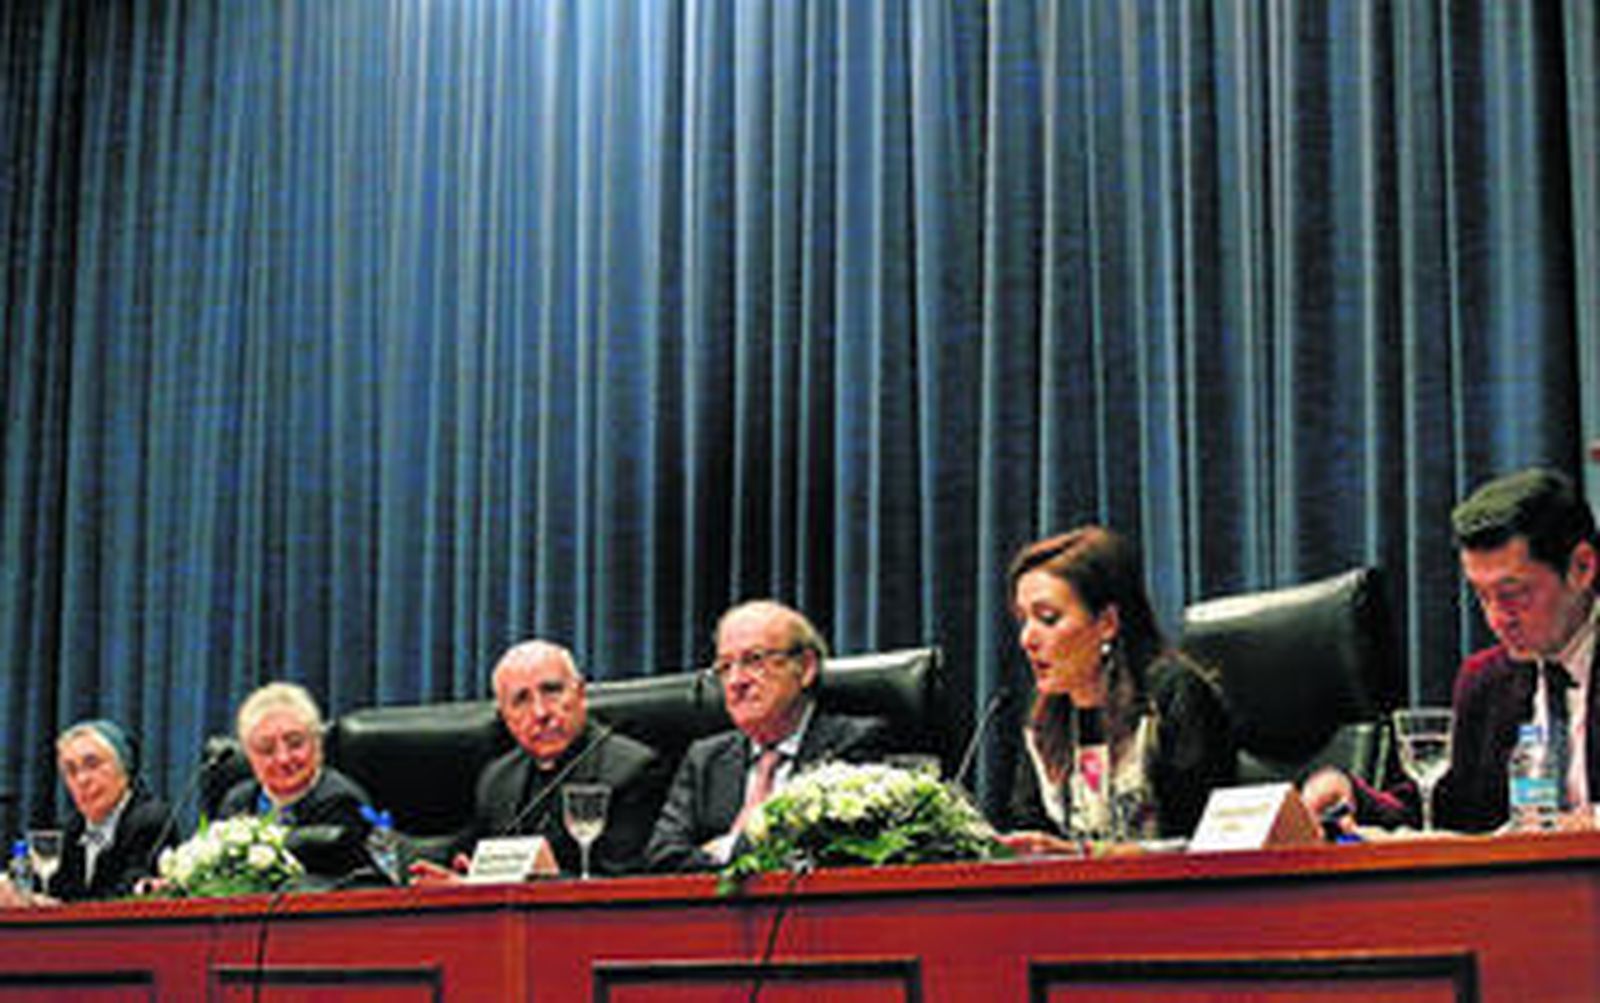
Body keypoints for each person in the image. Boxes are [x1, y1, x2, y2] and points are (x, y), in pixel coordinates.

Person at [1303, 467, 1597, 833]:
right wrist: (1352, 796)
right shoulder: (1486, 681)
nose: (1496, 619)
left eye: (1513, 595)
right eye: (1482, 596)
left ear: (1582, 568)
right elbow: (1444, 811)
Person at [998, 527, 1235, 851]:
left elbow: (1207, 844)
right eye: (1023, 620)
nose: (1027, 639)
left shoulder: (1173, 696)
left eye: (1048, 618)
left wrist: (1085, 855)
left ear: (1107, 623)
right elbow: (1033, 831)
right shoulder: (1046, 718)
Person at [645, 599, 889, 872]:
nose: (736, 681)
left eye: (754, 661)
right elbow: (662, 858)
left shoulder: (854, 743)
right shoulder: (705, 759)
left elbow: (825, 852)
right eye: (725, 667)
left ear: (806, 667)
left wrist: (725, 849)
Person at [410, 640, 668, 882]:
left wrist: (551, 880)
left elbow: (629, 888)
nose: (540, 713)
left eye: (552, 691)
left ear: (580, 694)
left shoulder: (632, 769)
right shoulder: (498, 779)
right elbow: (471, 858)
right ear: (505, 717)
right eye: (521, 700)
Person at [218, 681, 375, 884]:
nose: (283, 759)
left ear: (317, 743)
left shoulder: (343, 803)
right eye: (267, 749)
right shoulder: (237, 802)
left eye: (295, 744)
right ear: (249, 755)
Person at [47, 720, 174, 901]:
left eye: (92, 764)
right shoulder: (72, 830)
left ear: (124, 768)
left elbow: (127, 895)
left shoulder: (151, 821)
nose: (81, 780)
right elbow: (58, 894)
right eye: (71, 771)